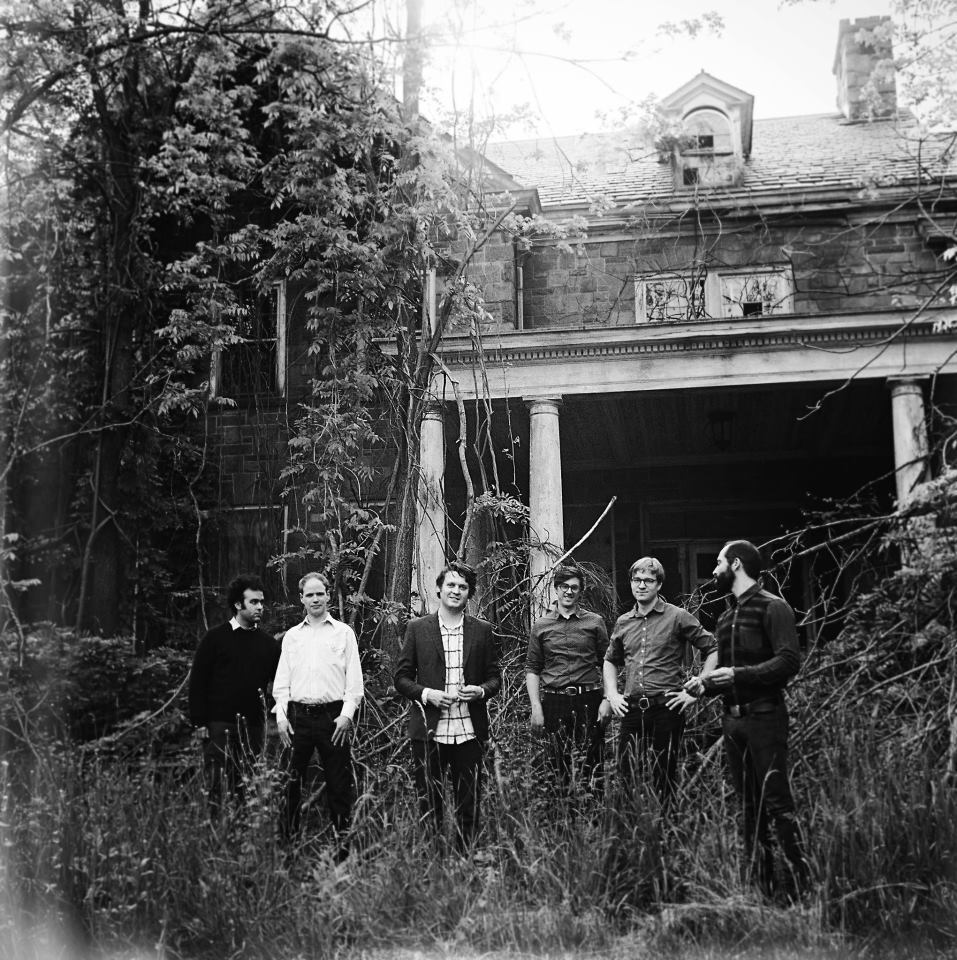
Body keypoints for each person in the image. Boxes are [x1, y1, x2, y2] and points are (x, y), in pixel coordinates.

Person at [687, 540, 811, 899]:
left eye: (719, 563)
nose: (714, 571)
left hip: (766, 717)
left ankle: (802, 891)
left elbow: (788, 661)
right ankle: (764, 892)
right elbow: (726, 673)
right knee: (748, 809)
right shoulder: (725, 618)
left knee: (778, 804)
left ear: (737, 564)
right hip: (733, 723)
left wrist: (737, 675)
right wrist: (704, 685)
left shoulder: (774, 607)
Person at [394, 562, 500, 851]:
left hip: (469, 731)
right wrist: (428, 694)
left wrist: (480, 691)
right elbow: (401, 678)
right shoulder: (417, 628)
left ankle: (466, 857)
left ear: (469, 594)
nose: (456, 591)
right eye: (451, 585)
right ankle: (435, 860)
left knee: (470, 802)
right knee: (430, 802)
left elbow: (494, 678)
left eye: (463, 587)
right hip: (430, 732)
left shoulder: (482, 630)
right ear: (439, 589)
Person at [603, 556, 717, 813]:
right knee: (627, 775)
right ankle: (634, 828)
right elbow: (610, 660)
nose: (641, 585)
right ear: (631, 583)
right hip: (632, 710)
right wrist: (612, 694)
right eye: (636, 580)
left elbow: (712, 648)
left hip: (667, 708)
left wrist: (700, 686)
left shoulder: (677, 616)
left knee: (663, 775)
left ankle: (665, 829)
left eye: (648, 580)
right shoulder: (623, 622)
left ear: (659, 584)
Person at [273, 572, 364, 857]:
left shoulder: (343, 633)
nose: (315, 599)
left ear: (328, 595)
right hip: (297, 718)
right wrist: (281, 717)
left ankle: (342, 851)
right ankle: (288, 849)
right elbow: (282, 682)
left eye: (320, 593)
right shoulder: (292, 637)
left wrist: (346, 715)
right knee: (290, 783)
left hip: (333, 718)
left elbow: (355, 682)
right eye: (309, 594)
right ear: (301, 599)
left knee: (338, 784)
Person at [188, 573, 280, 816]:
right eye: (253, 602)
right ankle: (217, 833)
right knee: (217, 787)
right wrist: (199, 722)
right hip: (219, 726)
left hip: (253, 728)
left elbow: (281, 684)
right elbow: (198, 682)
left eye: (261, 602)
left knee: (247, 787)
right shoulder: (215, 638)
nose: (260, 607)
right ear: (238, 604)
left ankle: (244, 833)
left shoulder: (268, 644)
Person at [525, 563, 611, 796]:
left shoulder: (595, 622)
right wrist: (536, 707)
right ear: (556, 588)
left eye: (574, 587)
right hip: (555, 701)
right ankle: (560, 814)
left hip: (589, 700)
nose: (569, 591)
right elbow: (532, 668)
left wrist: (607, 699)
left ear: (581, 590)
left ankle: (593, 813)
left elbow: (607, 663)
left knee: (593, 764)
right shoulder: (542, 625)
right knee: (556, 767)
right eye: (564, 586)